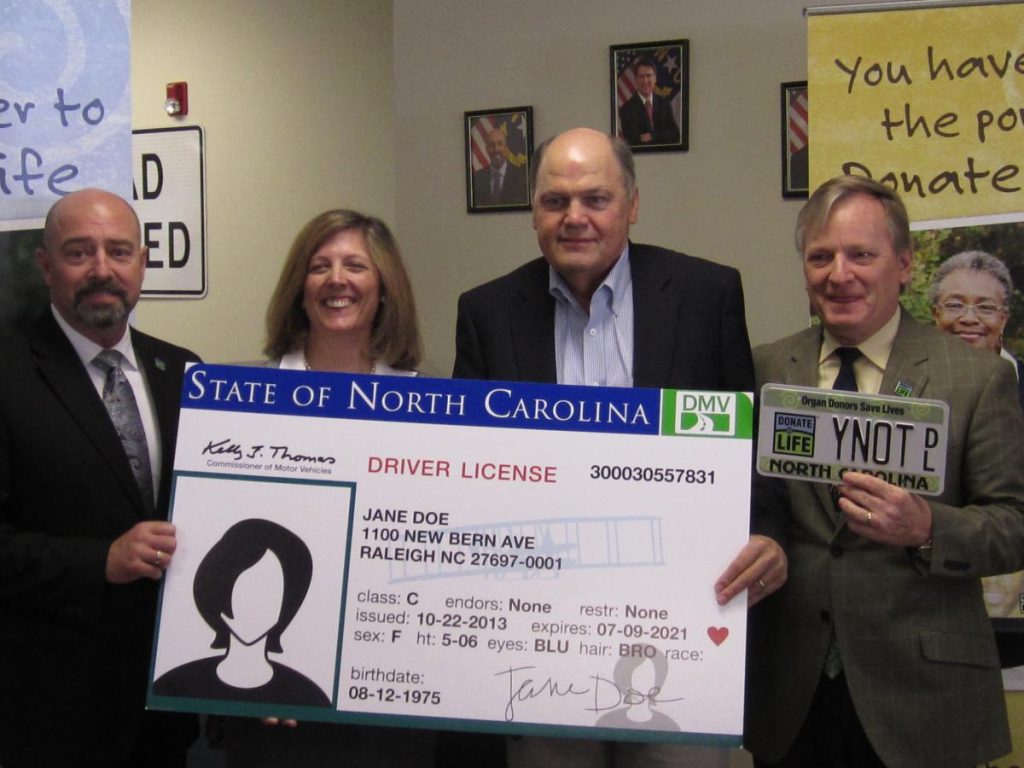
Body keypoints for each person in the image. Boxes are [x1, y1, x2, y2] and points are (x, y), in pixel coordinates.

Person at [454, 126, 786, 768]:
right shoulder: (488, 313)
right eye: (555, 201)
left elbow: (746, 446)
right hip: (539, 633)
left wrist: (768, 532)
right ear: (534, 214)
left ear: (632, 204)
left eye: (596, 199)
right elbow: (469, 476)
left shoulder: (706, 294)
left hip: (680, 620)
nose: (574, 217)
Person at [746, 176, 1024, 768]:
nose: (838, 273)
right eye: (820, 256)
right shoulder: (765, 369)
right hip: (790, 694)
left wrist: (927, 527)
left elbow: (1014, 524)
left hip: (924, 697)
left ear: (903, 265)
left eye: (861, 255)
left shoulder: (975, 378)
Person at [224, 208, 432, 767]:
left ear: (384, 288)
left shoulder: (431, 407)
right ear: (300, 288)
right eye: (320, 266)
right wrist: (255, 672)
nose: (336, 280)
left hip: (391, 695)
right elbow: (228, 549)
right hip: (273, 699)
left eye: (354, 266)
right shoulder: (245, 403)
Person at [0, 188, 199, 767]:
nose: (102, 270)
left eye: (118, 251)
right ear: (45, 266)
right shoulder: (8, 374)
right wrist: (99, 561)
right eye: (79, 252)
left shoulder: (185, 370)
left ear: (142, 261)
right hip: (49, 710)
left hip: (165, 705)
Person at [930, 249, 1024, 664]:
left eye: (985, 306)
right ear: (935, 314)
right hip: (938, 600)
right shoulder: (907, 390)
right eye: (955, 304)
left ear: (1004, 317)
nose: (969, 318)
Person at [153, 518, 330, 706]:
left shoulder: (308, 697)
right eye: (243, 589)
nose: (253, 606)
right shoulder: (174, 685)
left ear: (288, 603)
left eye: (267, 590)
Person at [617, 57, 681, 147]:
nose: (645, 81)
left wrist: (652, 136)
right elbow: (631, 140)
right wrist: (661, 135)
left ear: (655, 79)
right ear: (636, 79)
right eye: (641, 76)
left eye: (648, 76)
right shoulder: (626, 109)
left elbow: (675, 134)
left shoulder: (664, 103)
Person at [472, 126, 529, 207]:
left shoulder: (521, 177)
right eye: (491, 145)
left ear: (506, 148)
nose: (496, 149)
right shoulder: (477, 178)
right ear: (487, 149)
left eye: (500, 144)